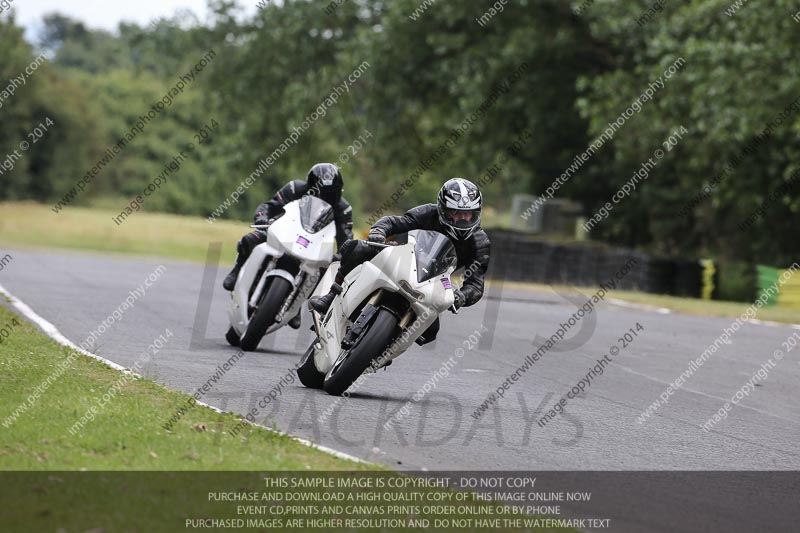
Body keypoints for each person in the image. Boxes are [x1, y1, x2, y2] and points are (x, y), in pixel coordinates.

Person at [308, 178, 490, 343]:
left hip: (434, 282)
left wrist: (461, 295)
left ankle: (384, 345)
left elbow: (476, 285)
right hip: (404, 258)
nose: (464, 219)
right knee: (355, 247)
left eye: (469, 214)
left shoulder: (479, 243)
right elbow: (394, 222)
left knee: (429, 333)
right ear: (443, 208)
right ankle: (332, 295)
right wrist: (379, 233)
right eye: (457, 213)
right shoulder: (428, 213)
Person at [223, 163, 354, 328]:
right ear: (310, 186)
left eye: (331, 194)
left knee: (327, 267)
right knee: (251, 238)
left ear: (339, 191)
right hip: (284, 230)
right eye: (321, 193)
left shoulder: (343, 209)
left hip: (314, 243)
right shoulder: (294, 188)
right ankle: (236, 271)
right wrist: (262, 218)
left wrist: (343, 254)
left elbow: (346, 237)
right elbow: (269, 206)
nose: (325, 198)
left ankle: (296, 303)